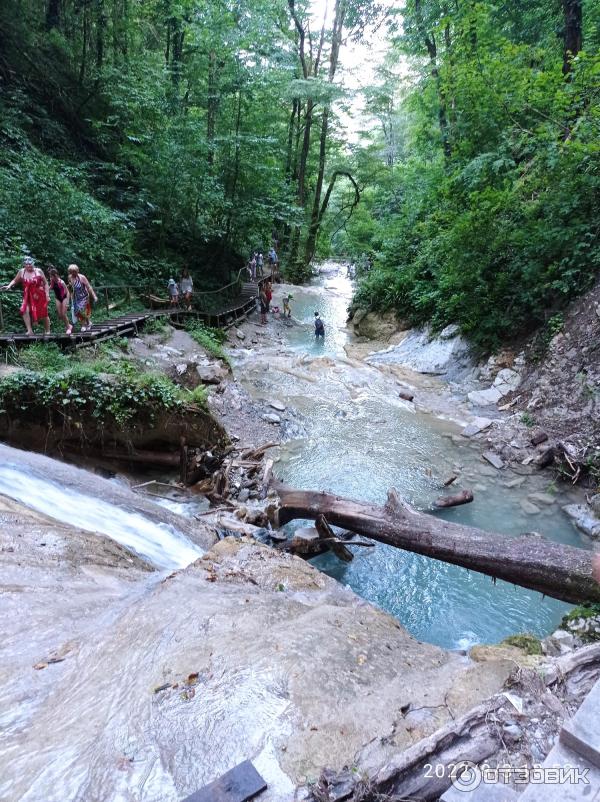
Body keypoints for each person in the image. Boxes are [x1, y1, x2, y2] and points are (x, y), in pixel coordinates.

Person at [3, 256, 51, 335]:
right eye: (26, 264)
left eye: (30, 264)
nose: (28, 266)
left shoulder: (39, 271)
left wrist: (47, 295)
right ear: (24, 265)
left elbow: (46, 283)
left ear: (33, 263)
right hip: (27, 295)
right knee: (24, 309)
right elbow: (15, 280)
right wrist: (9, 285)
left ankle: (48, 330)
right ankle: (29, 330)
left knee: (43, 313)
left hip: (39, 295)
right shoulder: (21, 272)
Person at [68, 264, 97, 331]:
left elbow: (89, 287)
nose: (73, 273)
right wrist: (70, 296)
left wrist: (94, 296)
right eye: (71, 271)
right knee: (78, 311)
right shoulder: (69, 277)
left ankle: (83, 325)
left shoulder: (82, 277)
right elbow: (70, 287)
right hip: (76, 297)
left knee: (82, 310)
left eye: (74, 271)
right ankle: (88, 322)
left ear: (77, 271)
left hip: (84, 296)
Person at [48, 266, 72, 335]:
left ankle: (68, 327)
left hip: (64, 297)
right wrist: (45, 291)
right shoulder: (52, 281)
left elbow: (67, 292)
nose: (50, 277)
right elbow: (50, 287)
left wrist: (67, 302)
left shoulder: (61, 282)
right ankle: (68, 325)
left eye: (51, 276)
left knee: (64, 314)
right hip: (57, 298)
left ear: (55, 276)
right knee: (60, 315)